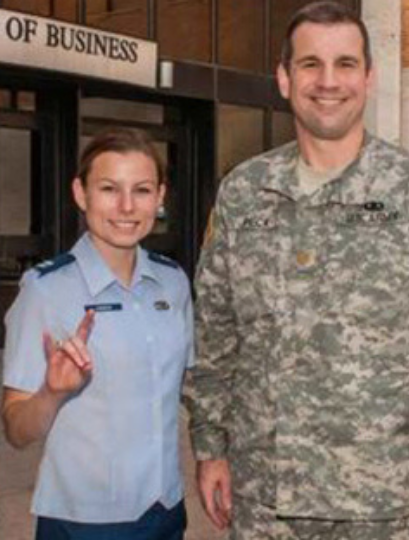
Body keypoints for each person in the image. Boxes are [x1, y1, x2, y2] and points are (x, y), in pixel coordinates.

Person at [186, 2, 409, 538]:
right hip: (266, 501)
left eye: (345, 64)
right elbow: (215, 331)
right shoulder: (243, 191)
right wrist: (210, 447)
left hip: (385, 500)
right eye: (310, 64)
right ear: (285, 79)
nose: (328, 81)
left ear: (369, 77)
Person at [2, 127, 193, 540]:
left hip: (165, 511)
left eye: (142, 190)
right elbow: (16, 431)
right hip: (84, 522)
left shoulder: (174, 282)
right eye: (109, 188)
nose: (126, 207)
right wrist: (52, 393)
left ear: (160, 196)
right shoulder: (45, 289)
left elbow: (186, 390)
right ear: (80, 192)